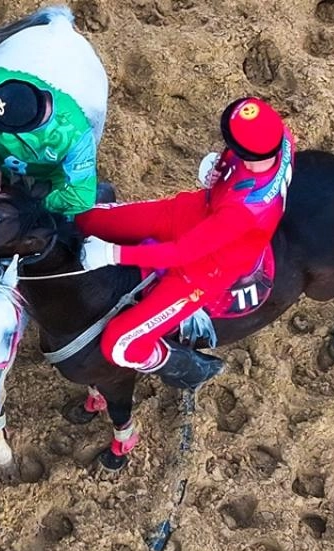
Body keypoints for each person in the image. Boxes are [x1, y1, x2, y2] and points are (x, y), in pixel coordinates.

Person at [74, 96, 295, 390]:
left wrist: (111, 253)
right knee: (86, 218)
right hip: (192, 212)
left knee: (120, 344)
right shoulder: (282, 139)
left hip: (202, 270)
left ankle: (180, 363)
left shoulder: (243, 210)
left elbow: (182, 253)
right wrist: (217, 172)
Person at [0, 8, 108, 216]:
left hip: (52, 173)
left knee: (64, 227)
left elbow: (80, 197)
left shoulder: (75, 134)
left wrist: (30, 207)